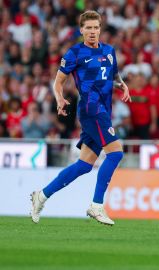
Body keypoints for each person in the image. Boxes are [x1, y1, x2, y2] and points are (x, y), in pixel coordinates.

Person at [30, 10, 131, 226]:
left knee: (84, 165)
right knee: (115, 153)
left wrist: (121, 84)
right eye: (89, 28)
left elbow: (111, 75)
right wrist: (59, 98)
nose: (93, 32)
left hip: (104, 110)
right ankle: (96, 205)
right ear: (81, 30)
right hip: (90, 109)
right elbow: (58, 82)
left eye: (96, 28)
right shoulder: (75, 53)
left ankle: (42, 195)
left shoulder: (109, 51)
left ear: (100, 29)